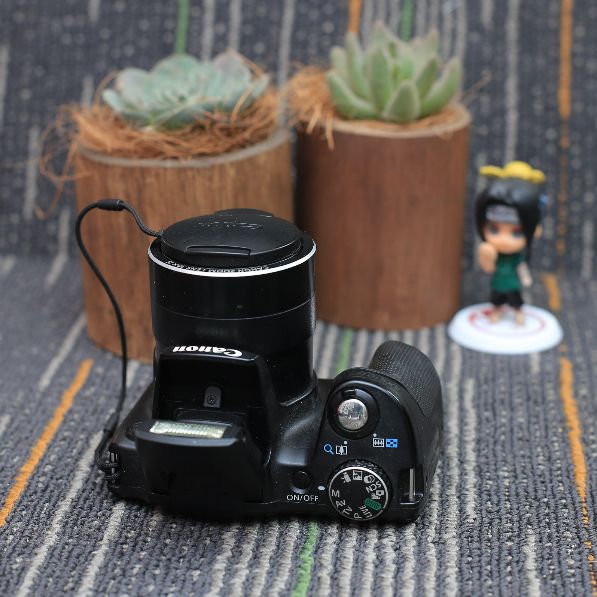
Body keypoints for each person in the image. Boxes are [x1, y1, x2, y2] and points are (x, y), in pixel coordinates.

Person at [475, 161, 546, 325]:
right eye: (494, 229)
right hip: (498, 282)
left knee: (515, 300)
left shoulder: (517, 256)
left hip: (512, 283)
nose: (504, 240)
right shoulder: (494, 252)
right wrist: (486, 257)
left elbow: (521, 266)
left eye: (516, 232)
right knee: (496, 299)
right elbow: (489, 268)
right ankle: (496, 311)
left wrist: (525, 277)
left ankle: (518, 313)